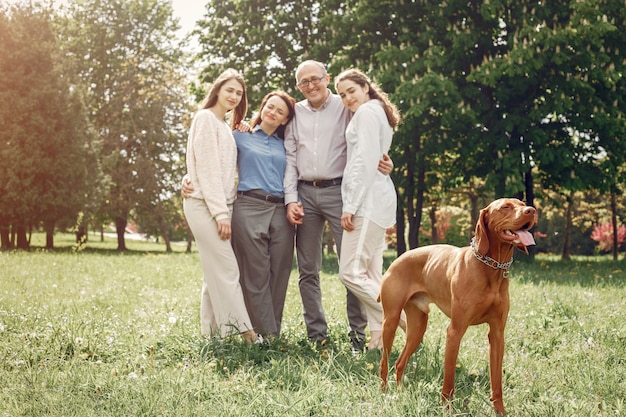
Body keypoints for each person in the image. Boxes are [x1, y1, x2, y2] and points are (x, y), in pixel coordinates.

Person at [284, 60, 394, 350]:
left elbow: (368, 145)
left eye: (315, 79)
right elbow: (283, 146)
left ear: (326, 79)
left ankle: (359, 335)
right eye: (303, 82)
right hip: (305, 193)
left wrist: (386, 159)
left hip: (340, 193)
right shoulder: (295, 111)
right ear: (298, 86)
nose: (310, 85)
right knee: (308, 268)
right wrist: (291, 197)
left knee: (353, 267)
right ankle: (317, 335)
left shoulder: (347, 106)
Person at [182, 68, 257, 344]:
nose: (235, 96)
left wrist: (245, 132)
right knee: (227, 269)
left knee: (213, 270)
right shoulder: (205, 118)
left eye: (239, 93)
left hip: (219, 205)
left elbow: (223, 168)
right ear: (217, 90)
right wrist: (220, 214)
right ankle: (247, 334)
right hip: (205, 207)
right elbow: (208, 169)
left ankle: (210, 335)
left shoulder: (224, 126)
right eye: (230, 90)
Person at [334, 68, 401, 350]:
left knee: (350, 272)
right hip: (377, 199)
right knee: (373, 274)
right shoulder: (377, 112)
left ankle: (401, 315)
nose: (348, 98)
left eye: (351, 91)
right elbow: (377, 158)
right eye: (342, 95)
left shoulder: (366, 113)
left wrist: (350, 205)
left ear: (365, 87)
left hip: (367, 203)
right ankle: (377, 340)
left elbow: (364, 161)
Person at [231, 91, 297, 338]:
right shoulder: (239, 136)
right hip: (249, 207)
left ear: (284, 120)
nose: (273, 112)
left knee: (279, 273)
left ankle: (271, 333)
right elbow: (213, 157)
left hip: (281, 210)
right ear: (262, 107)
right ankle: (266, 335)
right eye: (270, 107)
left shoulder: (287, 146)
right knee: (255, 273)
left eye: (280, 112)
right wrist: (189, 178)